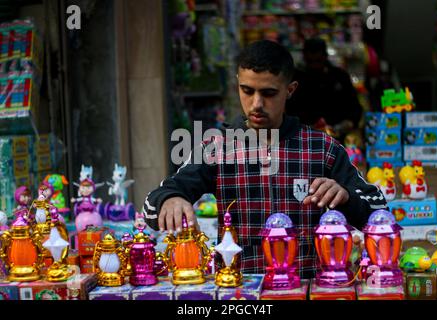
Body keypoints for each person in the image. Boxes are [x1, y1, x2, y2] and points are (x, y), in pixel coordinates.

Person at [143, 40, 386, 278]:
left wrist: (345, 196)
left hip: (308, 289)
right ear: (238, 84)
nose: (256, 104)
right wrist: (170, 199)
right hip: (240, 294)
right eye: (247, 91)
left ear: (290, 90)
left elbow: (380, 212)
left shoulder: (323, 148)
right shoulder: (216, 147)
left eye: (269, 93)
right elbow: (151, 208)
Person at [285, 38, 363, 141]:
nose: (315, 66)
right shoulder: (296, 79)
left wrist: (347, 124)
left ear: (325, 57)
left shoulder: (340, 77)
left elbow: (355, 108)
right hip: (304, 138)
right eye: (310, 61)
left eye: (318, 61)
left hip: (338, 136)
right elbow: (288, 111)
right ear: (304, 58)